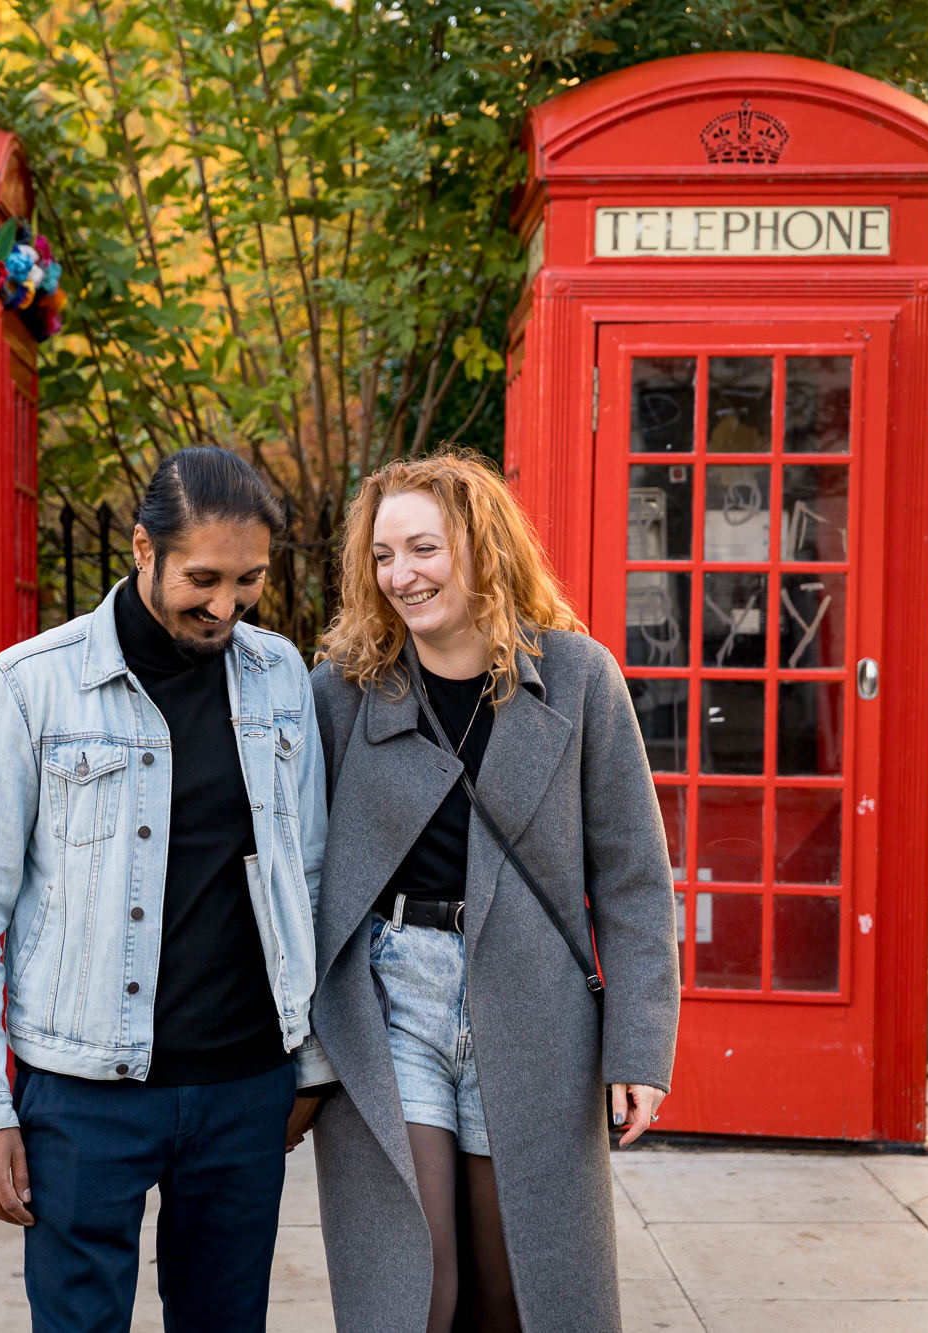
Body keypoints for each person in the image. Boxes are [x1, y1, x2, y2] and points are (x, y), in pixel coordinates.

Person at [0, 447, 336, 1333]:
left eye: (250, 580)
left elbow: (307, 873)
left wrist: (310, 1062)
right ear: (142, 549)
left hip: (245, 1082)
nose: (226, 606)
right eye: (203, 578)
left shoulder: (278, 677)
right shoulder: (30, 686)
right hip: (85, 1087)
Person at [304, 450, 680, 1331]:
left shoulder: (579, 678)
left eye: (423, 548)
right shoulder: (345, 691)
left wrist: (640, 1045)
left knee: (516, 1288)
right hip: (390, 996)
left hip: (533, 1003)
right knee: (417, 1282)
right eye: (384, 555)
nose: (402, 575)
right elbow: (293, 868)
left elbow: (631, 874)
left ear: (483, 547)